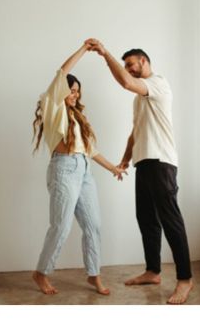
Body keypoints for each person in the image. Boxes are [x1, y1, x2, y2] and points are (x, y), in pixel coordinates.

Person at [87, 41, 193, 304]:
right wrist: (124, 160)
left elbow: (125, 82)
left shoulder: (158, 83)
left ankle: (185, 279)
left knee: (171, 220)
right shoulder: (139, 100)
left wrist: (104, 54)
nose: (129, 70)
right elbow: (135, 132)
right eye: (126, 66)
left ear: (144, 62)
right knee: (146, 219)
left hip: (162, 161)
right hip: (143, 162)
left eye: (131, 65)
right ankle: (153, 271)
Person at [31, 43, 126, 297]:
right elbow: (62, 73)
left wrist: (114, 168)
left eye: (77, 92)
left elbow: (91, 151)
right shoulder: (53, 107)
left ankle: (93, 274)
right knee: (60, 226)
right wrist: (85, 48)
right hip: (63, 169)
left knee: (93, 225)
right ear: (62, 91)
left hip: (83, 171)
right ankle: (41, 272)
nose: (75, 94)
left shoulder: (79, 119)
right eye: (71, 90)